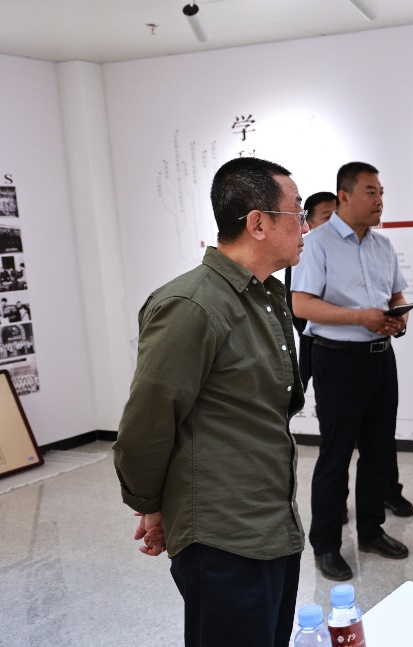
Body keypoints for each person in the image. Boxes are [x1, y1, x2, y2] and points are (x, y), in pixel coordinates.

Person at [113, 156, 309, 646]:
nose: (306, 226)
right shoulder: (192, 305)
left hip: (272, 523)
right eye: (297, 212)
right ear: (258, 223)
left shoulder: (265, 297)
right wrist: (152, 506)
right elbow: (147, 424)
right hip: (224, 537)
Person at [291, 162, 412, 582]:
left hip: (381, 358)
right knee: (337, 453)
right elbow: (302, 305)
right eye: (370, 192)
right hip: (338, 359)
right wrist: (360, 316)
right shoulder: (317, 244)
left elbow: (396, 294)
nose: (379, 200)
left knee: (379, 451)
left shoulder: (383, 245)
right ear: (344, 196)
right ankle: (326, 544)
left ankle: (371, 530)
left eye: (381, 192)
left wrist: (398, 317)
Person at [286, 190, 339, 390]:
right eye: (327, 217)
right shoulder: (304, 252)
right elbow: (296, 309)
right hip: (324, 348)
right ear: (309, 224)